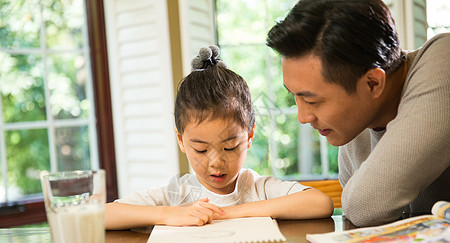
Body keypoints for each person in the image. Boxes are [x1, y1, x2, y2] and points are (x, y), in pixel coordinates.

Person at [105, 45, 334, 230]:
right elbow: (101, 216)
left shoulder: (256, 188)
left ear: (250, 135)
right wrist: (169, 214)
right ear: (181, 140)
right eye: (201, 150)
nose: (216, 162)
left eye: (230, 146)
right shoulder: (178, 194)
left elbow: (320, 203)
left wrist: (232, 212)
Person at [266, 0, 450, 227]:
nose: (303, 117)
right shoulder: (358, 124)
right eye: (295, 96)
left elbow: (364, 207)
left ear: (373, 83)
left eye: (312, 100)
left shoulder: (444, 61)